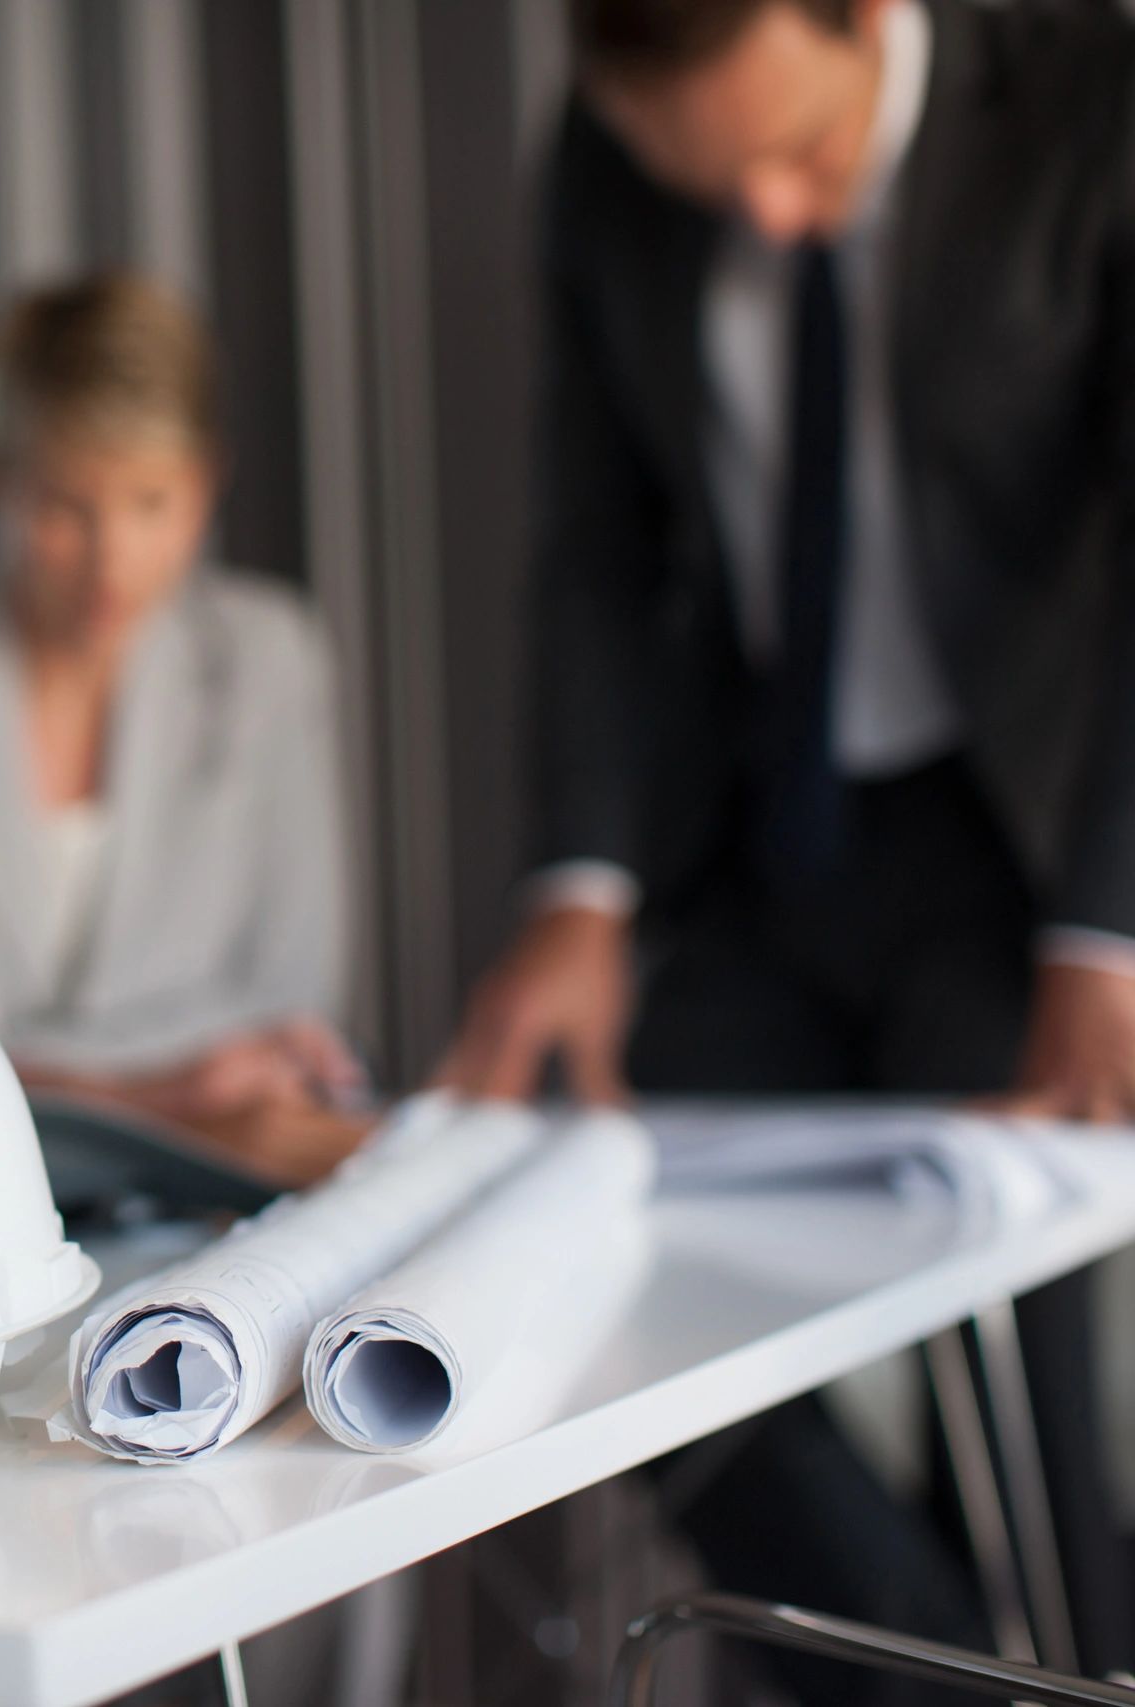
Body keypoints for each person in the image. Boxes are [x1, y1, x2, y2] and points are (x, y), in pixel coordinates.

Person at [439, 0, 1135, 1691]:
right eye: (706, 176)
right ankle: (945, 1682)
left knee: (1022, 1392)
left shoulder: (1087, 107)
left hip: (1023, 841)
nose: (754, 213)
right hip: (758, 836)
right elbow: (596, 547)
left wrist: (1112, 932)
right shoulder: (607, 169)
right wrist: (580, 890)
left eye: (795, 155)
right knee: (605, 1281)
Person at [0, 274, 367, 1186]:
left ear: (208, 481)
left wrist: (28, 1073)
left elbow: (287, 1002)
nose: (112, 558)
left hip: (222, 1211)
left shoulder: (269, 658)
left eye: (152, 502)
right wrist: (166, 1097)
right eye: (64, 506)